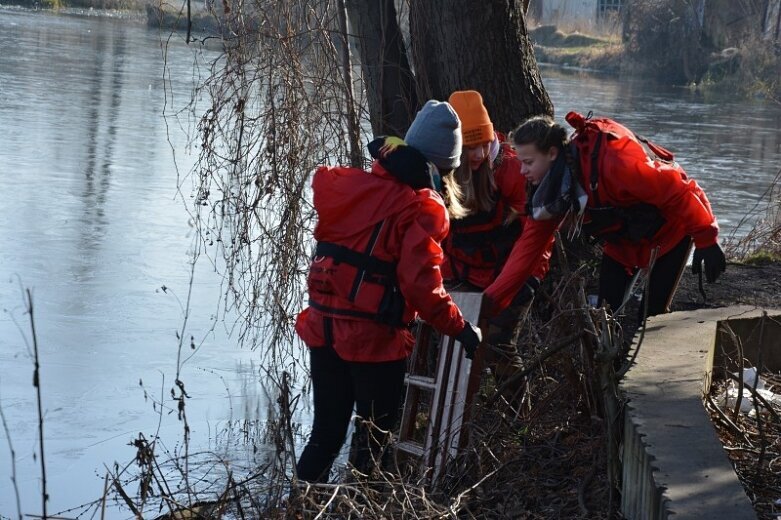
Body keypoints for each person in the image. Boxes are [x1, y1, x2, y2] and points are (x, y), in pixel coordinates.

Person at [294, 100, 483, 484]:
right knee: (372, 445)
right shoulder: (419, 207)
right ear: (442, 167)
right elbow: (422, 286)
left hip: (323, 329)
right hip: (372, 342)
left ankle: (296, 509)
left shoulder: (348, 185)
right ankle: (359, 509)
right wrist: (462, 329)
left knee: (325, 436)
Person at [484, 112, 726, 321]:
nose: (522, 170)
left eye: (527, 162)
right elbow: (527, 251)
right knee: (605, 315)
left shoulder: (614, 164)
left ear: (552, 154)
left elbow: (679, 190)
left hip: (672, 232)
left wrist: (706, 238)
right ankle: (612, 370)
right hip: (623, 245)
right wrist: (490, 301)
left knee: (650, 317)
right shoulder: (551, 194)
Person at [408, 91, 553, 378]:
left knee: (498, 346)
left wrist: (529, 279)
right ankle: (458, 410)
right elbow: (436, 237)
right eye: (470, 147)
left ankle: (516, 417)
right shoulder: (442, 173)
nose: (478, 155)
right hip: (461, 273)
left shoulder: (512, 169)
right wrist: (444, 281)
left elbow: (537, 235)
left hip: (508, 276)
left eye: (484, 144)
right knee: (447, 342)